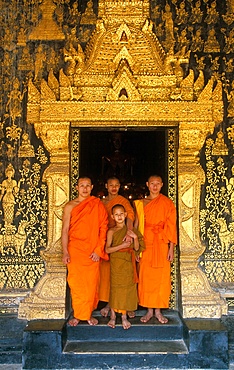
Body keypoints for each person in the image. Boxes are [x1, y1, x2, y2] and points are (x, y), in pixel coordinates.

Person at [62, 176, 108, 326]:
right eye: (82, 185)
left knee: (91, 283)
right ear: (77, 187)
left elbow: (103, 228)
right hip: (75, 249)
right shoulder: (70, 206)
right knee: (76, 283)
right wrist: (65, 252)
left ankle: (87, 314)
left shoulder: (97, 204)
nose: (85, 188)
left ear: (92, 187)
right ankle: (78, 314)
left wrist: (98, 250)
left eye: (88, 185)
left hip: (92, 250)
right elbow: (65, 231)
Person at [134, 175, 177, 324]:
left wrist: (171, 248)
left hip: (162, 243)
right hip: (146, 244)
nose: (155, 186)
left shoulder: (167, 203)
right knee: (146, 278)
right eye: (152, 183)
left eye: (157, 183)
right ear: (147, 184)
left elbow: (171, 227)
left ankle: (158, 311)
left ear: (162, 185)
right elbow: (137, 227)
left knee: (161, 279)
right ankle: (148, 310)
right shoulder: (141, 203)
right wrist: (136, 249)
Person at [99, 177, 135, 317]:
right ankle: (110, 303)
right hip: (107, 237)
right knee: (108, 275)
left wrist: (128, 233)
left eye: (116, 185)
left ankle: (125, 305)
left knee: (123, 276)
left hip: (121, 236)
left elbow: (130, 216)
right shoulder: (101, 202)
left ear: (119, 186)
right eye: (111, 185)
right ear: (106, 186)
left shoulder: (123, 202)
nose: (113, 188)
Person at [105, 204, 145, 329]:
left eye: (121, 214)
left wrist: (134, 238)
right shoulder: (111, 231)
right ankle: (112, 316)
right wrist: (121, 247)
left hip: (128, 262)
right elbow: (107, 249)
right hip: (116, 262)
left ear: (126, 215)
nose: (119, 216)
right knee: (116, 289)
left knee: (127, 289)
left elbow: (137, 248)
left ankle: (123, 316)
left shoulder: (131, 231)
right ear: (112, 216)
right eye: (116, 214)